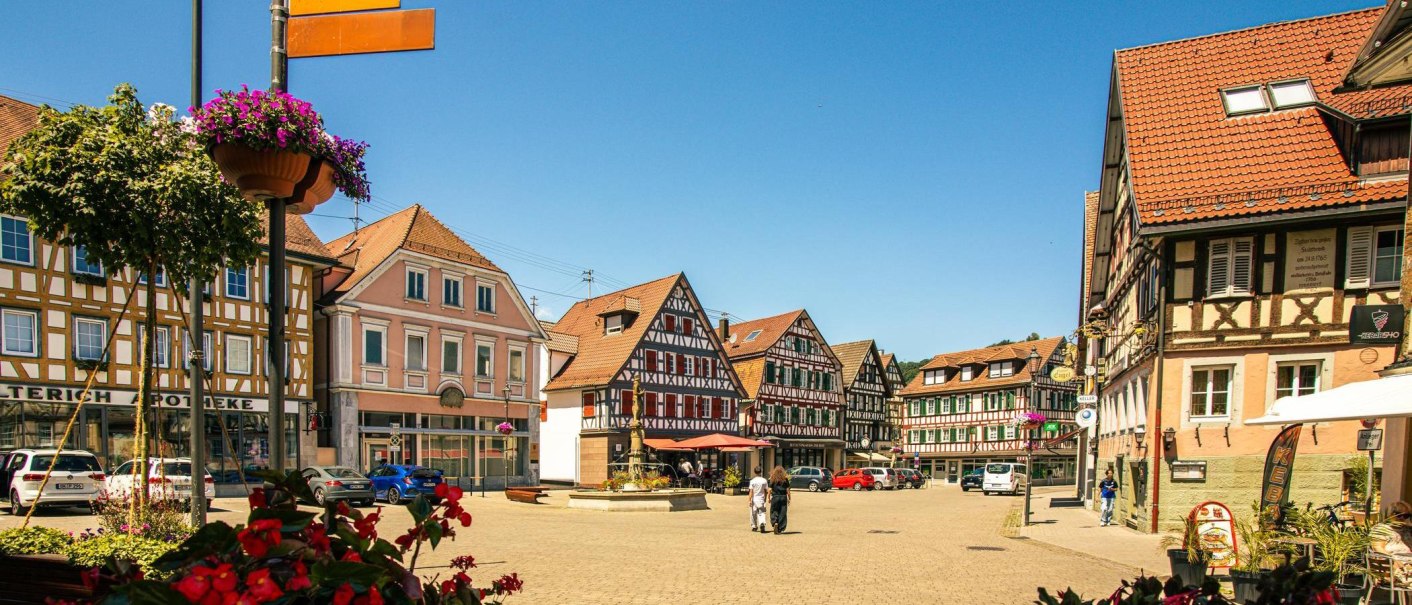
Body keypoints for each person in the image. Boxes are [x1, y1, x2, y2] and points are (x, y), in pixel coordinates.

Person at [1372, 501, 1412, 583]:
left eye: (1406, 516)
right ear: (1390, 514)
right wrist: (1394, 559)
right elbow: (1378, 548)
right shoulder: (1381, 529)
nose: (1402, 518)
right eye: (1399, 515)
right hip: (1390, 562)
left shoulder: (1408, 529)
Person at [768, 465, 791, 534]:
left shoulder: (772, 479)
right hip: (783, 497)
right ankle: (780, 528)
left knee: (774, 510)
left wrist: (768, 498)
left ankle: (775, 522)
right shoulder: (785, 479)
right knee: (782, 512)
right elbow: (788, 490)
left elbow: (769, 490)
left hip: (775, 497)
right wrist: (789, 498)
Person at [748, 467, 768, 533]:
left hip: (754, 499)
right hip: (761, 499)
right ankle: (762, 523)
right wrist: (765, 499)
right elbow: (766, 491)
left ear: (754, 472)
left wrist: (749, 500)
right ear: (761, 472)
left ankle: (754, 526)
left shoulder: (752, 481)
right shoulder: (764, 480)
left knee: (753, 513)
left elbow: (751, 491)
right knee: (761, 512)